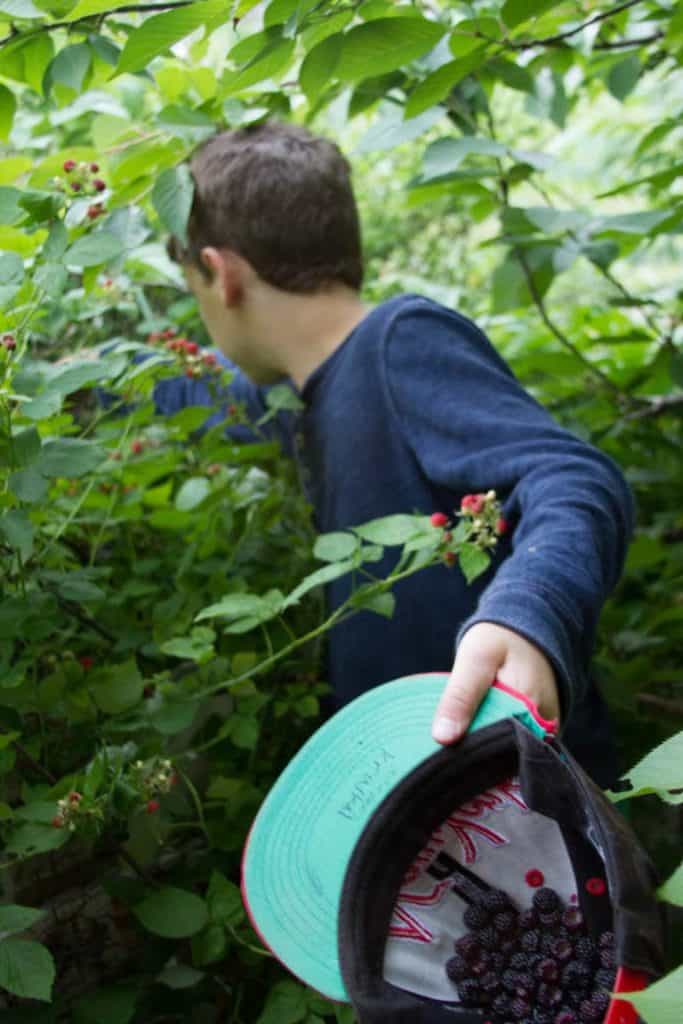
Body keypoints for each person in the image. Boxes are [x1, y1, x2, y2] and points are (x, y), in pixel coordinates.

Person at [156, 120, 634, 787]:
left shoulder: (398, 344)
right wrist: (87, 382)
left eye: (192, 293)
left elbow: (568, 476)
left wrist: (529, 613)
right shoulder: (307, 394)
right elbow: (204, 390)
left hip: (524, 799)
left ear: (220, 273)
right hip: (428, 797)